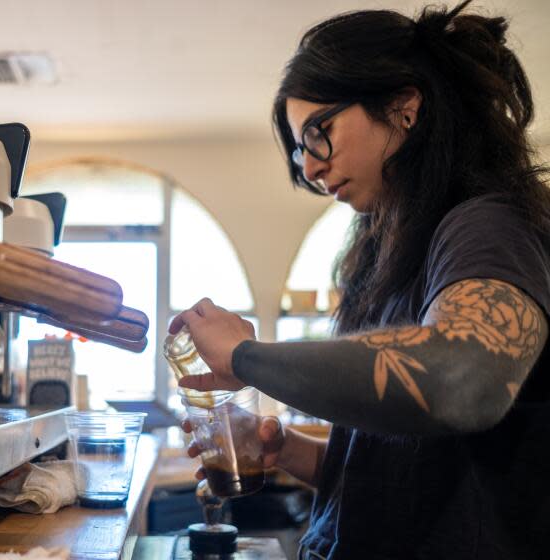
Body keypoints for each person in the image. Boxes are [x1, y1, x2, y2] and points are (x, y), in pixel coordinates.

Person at [171, 1, 550, 558]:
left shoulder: (488, 225)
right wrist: (285, 452)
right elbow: (404, 476)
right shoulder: (389, 250)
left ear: (403, 107)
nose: (309, 167)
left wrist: (246, 356)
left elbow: (463, 380)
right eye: (301, 148)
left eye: (318, 132)